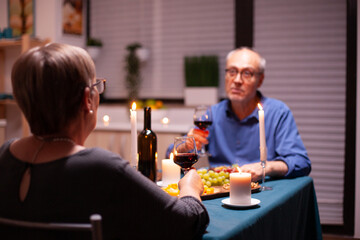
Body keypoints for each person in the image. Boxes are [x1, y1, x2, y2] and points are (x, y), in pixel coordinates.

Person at [0, 43, 209, 239]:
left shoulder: (4, 154)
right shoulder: (102, 168)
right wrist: (190, 188)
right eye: (97, 86)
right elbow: (186, 222)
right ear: (87, 100)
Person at [167, 47, 311, 182]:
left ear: (260, 80)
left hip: (261, 190)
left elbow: (301, 162)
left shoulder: (278, 112)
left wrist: (265, 167)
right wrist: (185, 147)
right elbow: (170, 154)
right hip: (218, 190)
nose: (237, 80)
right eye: (232, 72)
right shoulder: (212, 114)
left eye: (247, 73)